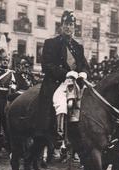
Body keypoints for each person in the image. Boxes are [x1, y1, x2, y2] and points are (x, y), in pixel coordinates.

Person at [35, 10, 89, 138]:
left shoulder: (78, 47)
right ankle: (58, 136)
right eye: (66, 24)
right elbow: (46, 66)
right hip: (56, 82)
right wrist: (66, 73)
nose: (68, 27)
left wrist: (84, 73)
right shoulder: (51, 43)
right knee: (58, 106)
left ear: (74, 27)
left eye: (71, 25)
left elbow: (85, 65)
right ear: (61, 26)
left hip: (75, 83)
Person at [0, 50, 29, 137]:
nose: (5, 62)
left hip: (12, 97)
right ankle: (3, 133)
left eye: (7, 60)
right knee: (3, 110)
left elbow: (24, 87)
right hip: (0, 97)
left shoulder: (13, 73)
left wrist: (17, 91)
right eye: (3, 60)